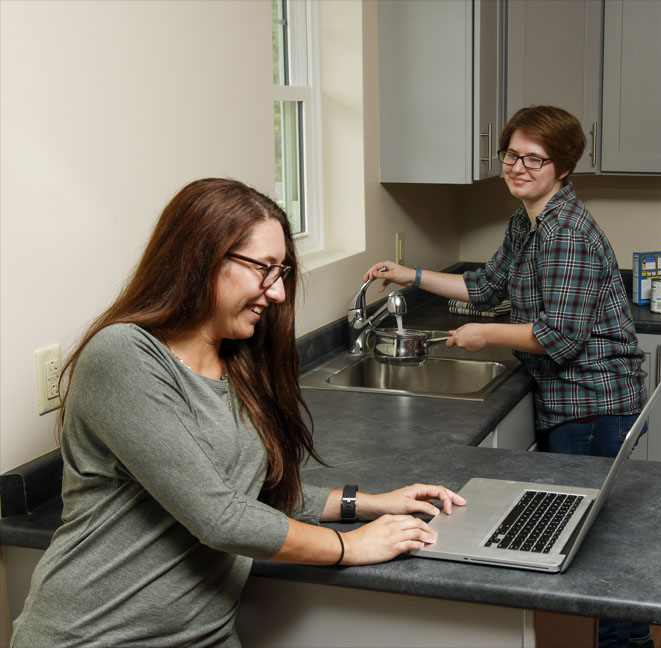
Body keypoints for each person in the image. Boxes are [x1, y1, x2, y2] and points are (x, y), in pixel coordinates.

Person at [12, 178, 465, 647]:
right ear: (199, 258)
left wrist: (365, 503)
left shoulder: (237, 361)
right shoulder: (123, 355)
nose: (277, 293)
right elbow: (220, 516)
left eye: (281, 272)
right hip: (92, 638)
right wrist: (348, 546)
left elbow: (250, 492)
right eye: (263, 269)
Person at [364, 106, 651, 648]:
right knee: (589, 535)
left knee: (596, 547)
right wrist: (414, 274)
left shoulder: (566, 231)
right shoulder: (528, 220)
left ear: (562, 168)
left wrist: (485, 335)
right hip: (575, 400)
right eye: (511, 155)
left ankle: (629, 644)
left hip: (594, 405)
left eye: (533, 159)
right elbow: (490, 285)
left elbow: (558, 336)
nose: (518, 168)